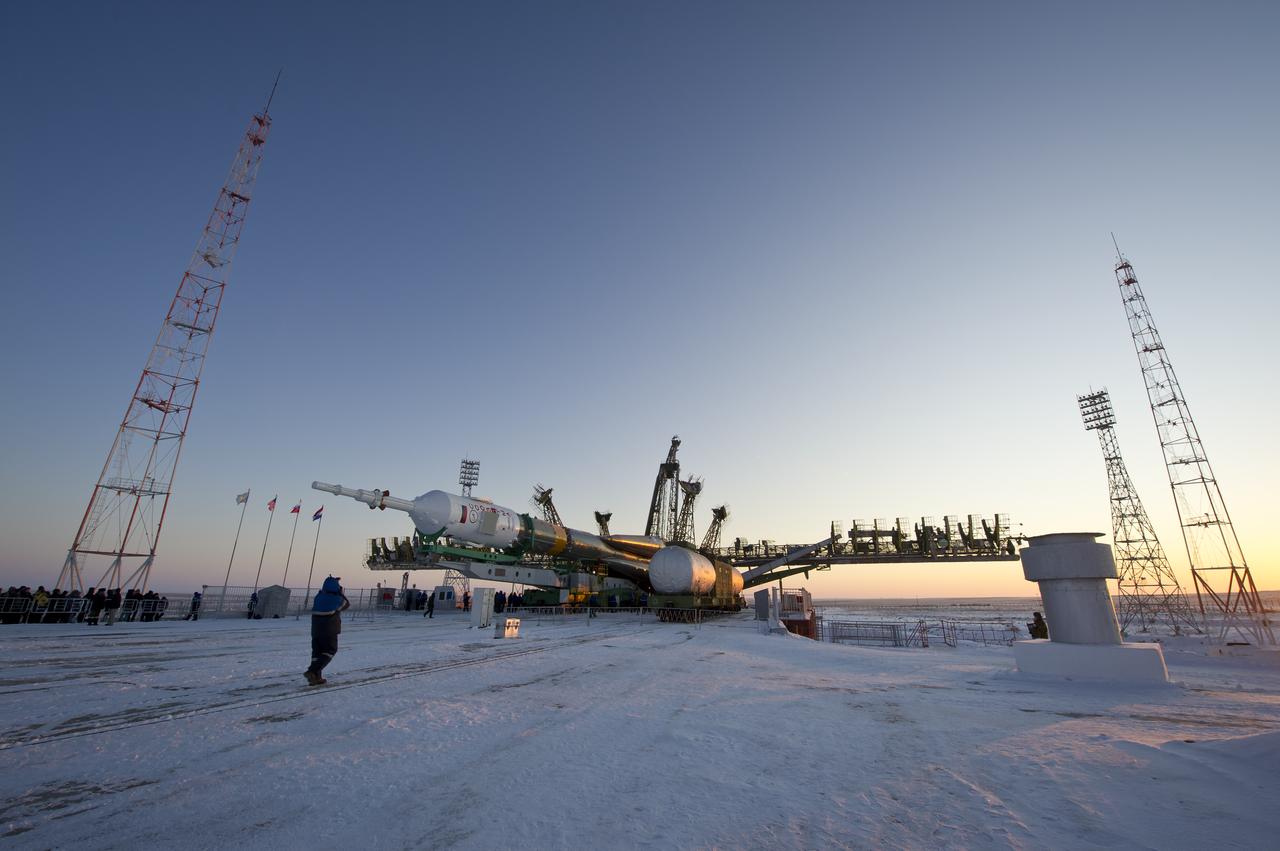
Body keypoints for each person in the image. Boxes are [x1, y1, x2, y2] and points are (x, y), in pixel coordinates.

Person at [305, 576, 350, 686]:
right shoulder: (337, 599)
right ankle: (312, 671)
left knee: (317, 653)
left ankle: (316, 678)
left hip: (315, 630)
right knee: (330, 651)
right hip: (329, 630)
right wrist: (340, 592)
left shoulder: (319, 597)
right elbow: (346, 604)